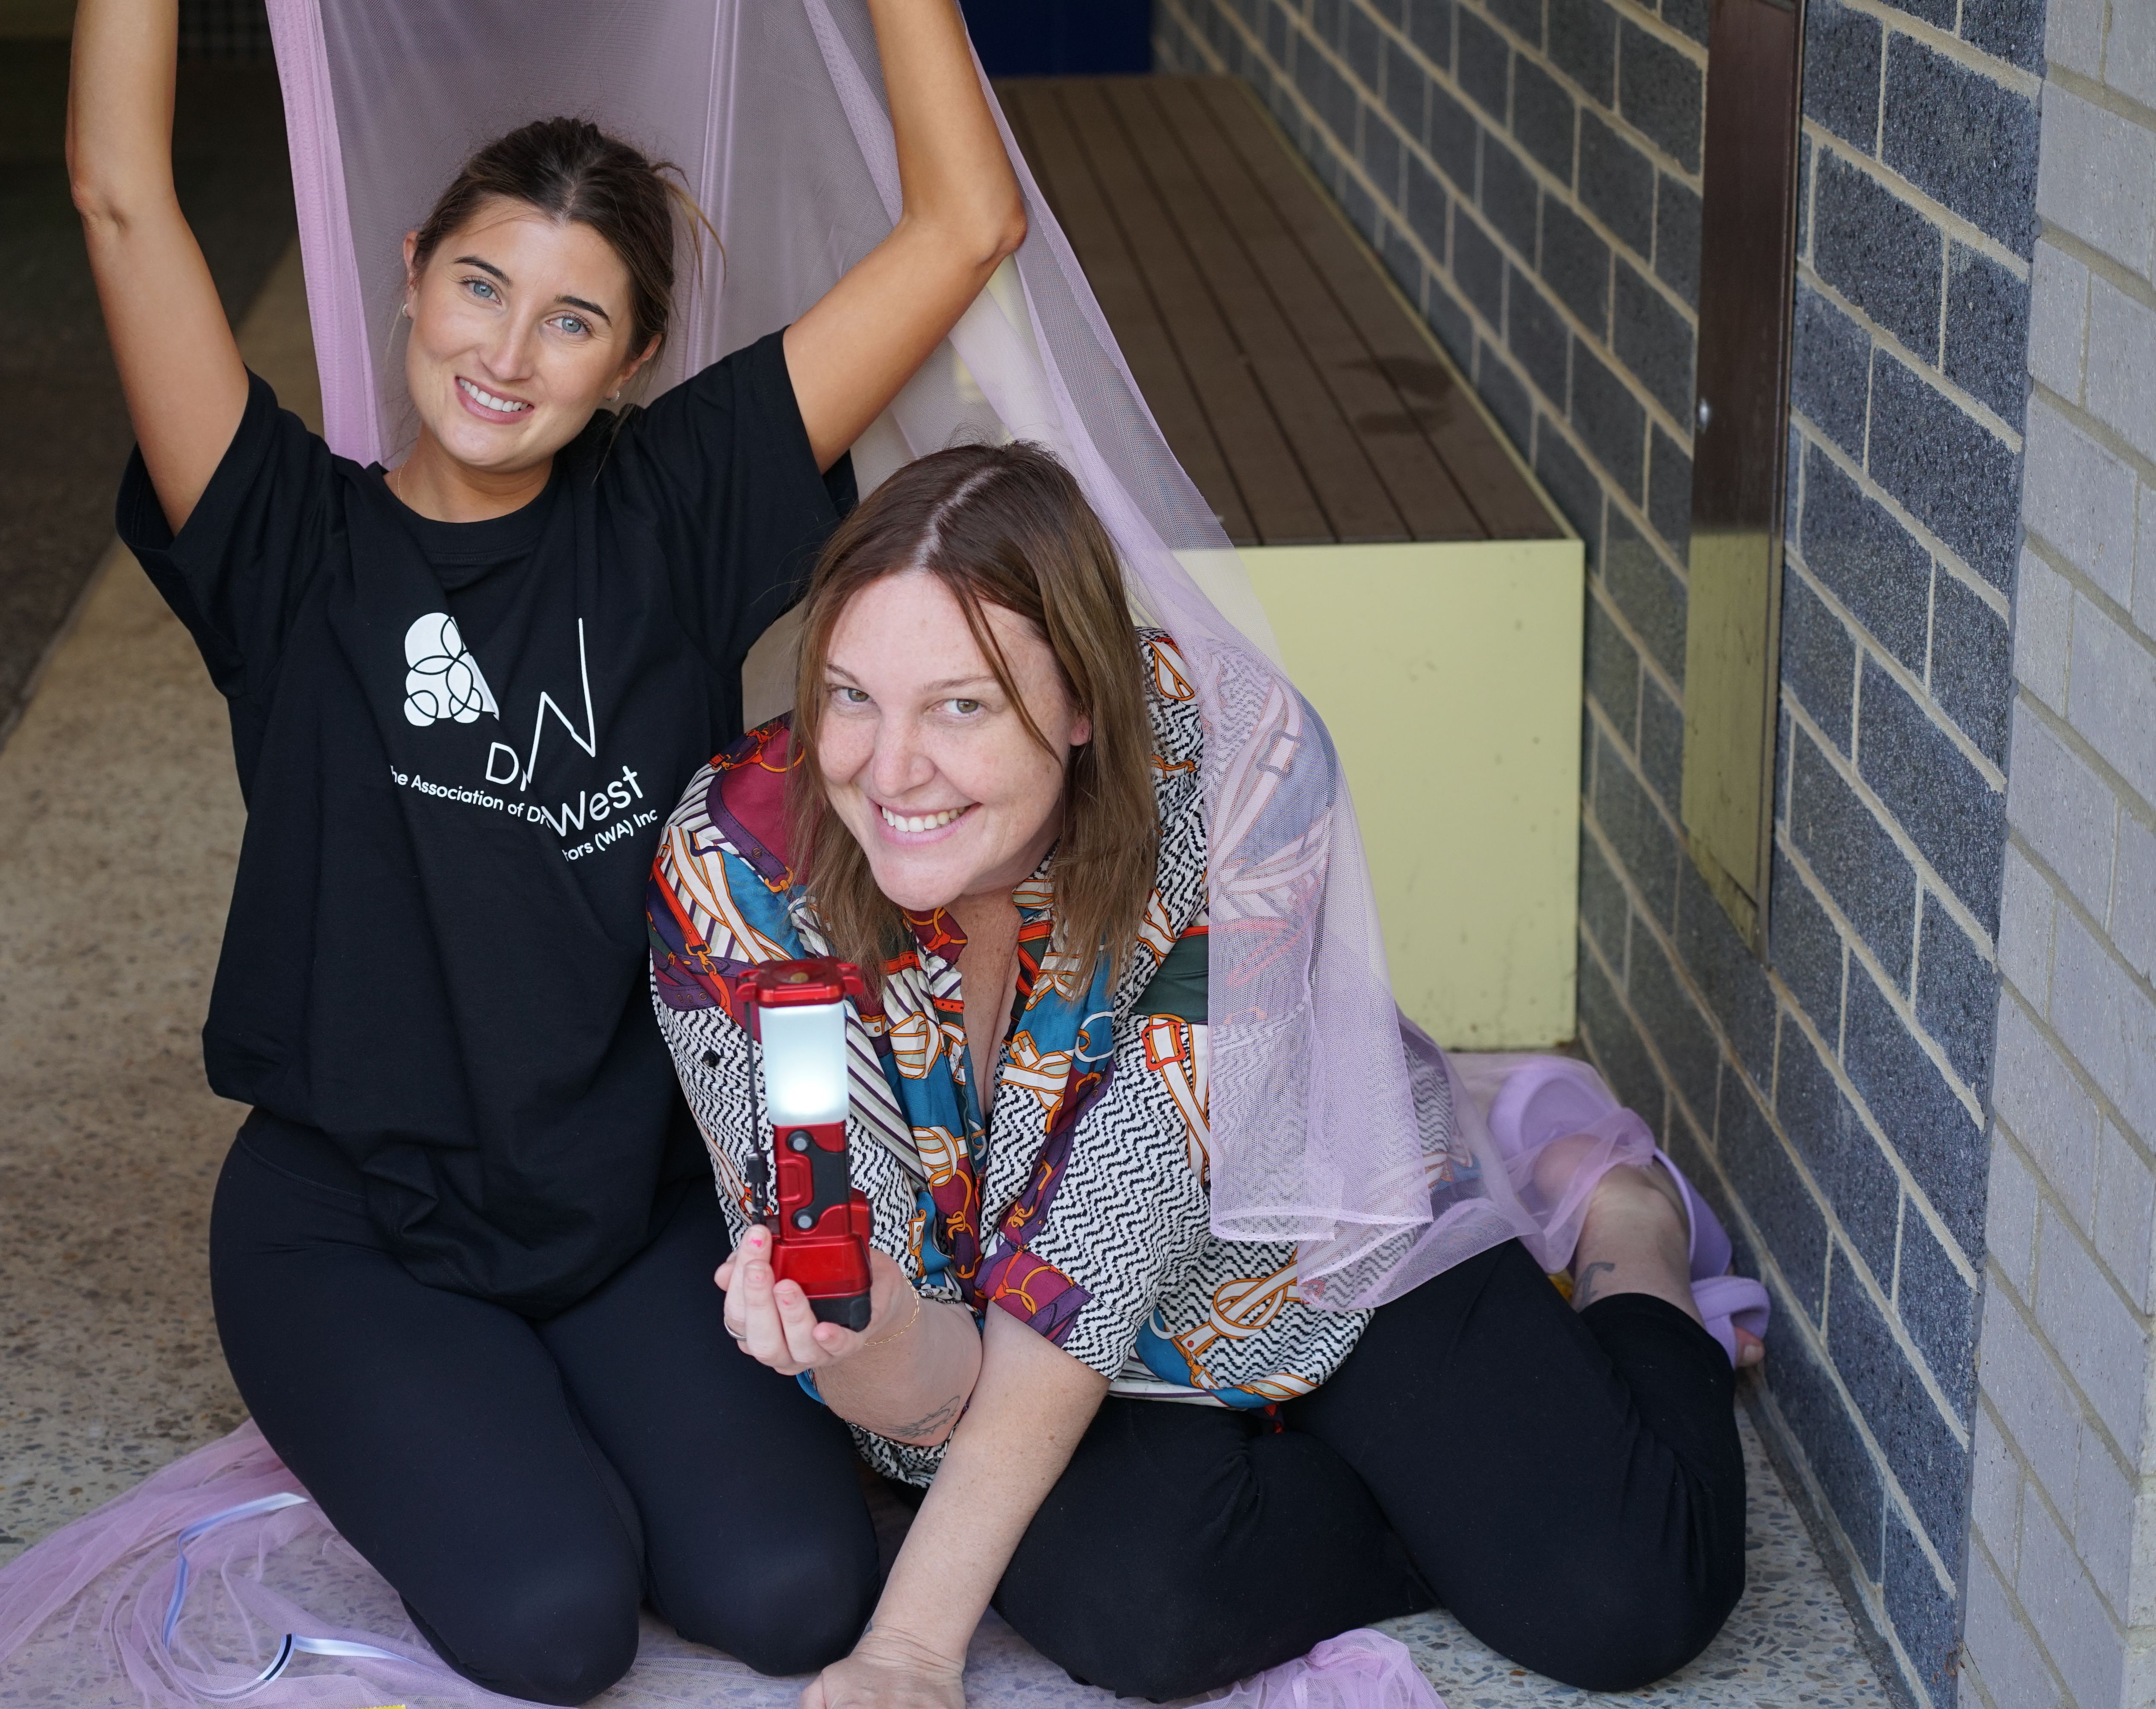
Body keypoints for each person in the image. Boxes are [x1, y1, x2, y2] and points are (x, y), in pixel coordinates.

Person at [66, 0, 1026, 1698]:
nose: (509, 353)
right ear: (412, 275)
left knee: (800, 1593)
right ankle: (473, 1415)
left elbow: (967, 225)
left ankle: (557, 1406)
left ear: (633, 361)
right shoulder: (282, 537)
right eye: (482, 286)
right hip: (354, 1227)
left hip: (626, 1210)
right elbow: (120, 193)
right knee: (556, 1622)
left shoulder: (673, 510)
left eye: (574, 319)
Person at [649, 443, 1764, 1709]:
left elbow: (1107, 1237)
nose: (889, 770)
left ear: (1084, 700)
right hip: (1012, 1361)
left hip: (1307, 1244)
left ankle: (1626, 1224)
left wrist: (908, 1651)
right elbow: (909, 1362)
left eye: (962, 707)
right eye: (851, 696)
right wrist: (873, 1335)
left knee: (1631, 1598)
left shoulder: (1241, 767)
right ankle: (1447, 1519)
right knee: (1146, 1618)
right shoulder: (738, 865)